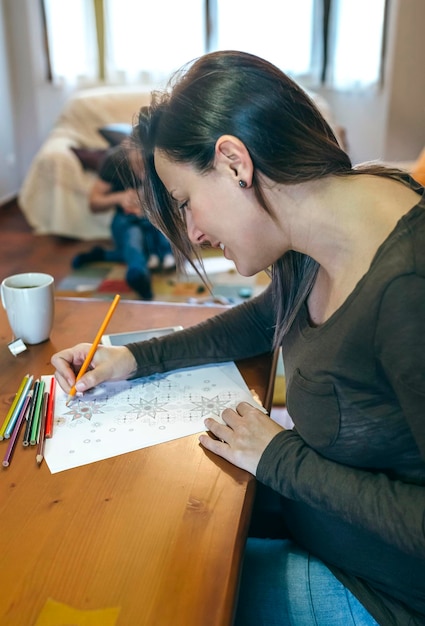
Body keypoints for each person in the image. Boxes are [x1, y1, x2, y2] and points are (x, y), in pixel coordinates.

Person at [51, 51, 425, 625]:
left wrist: (280, 456)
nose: (195, 232)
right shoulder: (320, 222)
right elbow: (264, 317)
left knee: (152, 601)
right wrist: (131, 357)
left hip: (384, 592)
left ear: (233, 162)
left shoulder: (407, 289)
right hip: (320, 523)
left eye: (185, 203)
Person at [72, 139, 175, 300]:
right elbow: (94, 203)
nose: (144, 173)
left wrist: (153, 204)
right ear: (129, 151)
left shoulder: (165, 158)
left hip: (153, 219)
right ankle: (137, 274)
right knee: (133, 237)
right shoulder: (114, 160)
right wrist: (120, 198)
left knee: (154, 238)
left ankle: (102, 255)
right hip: (125, 219)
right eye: (139, 164)